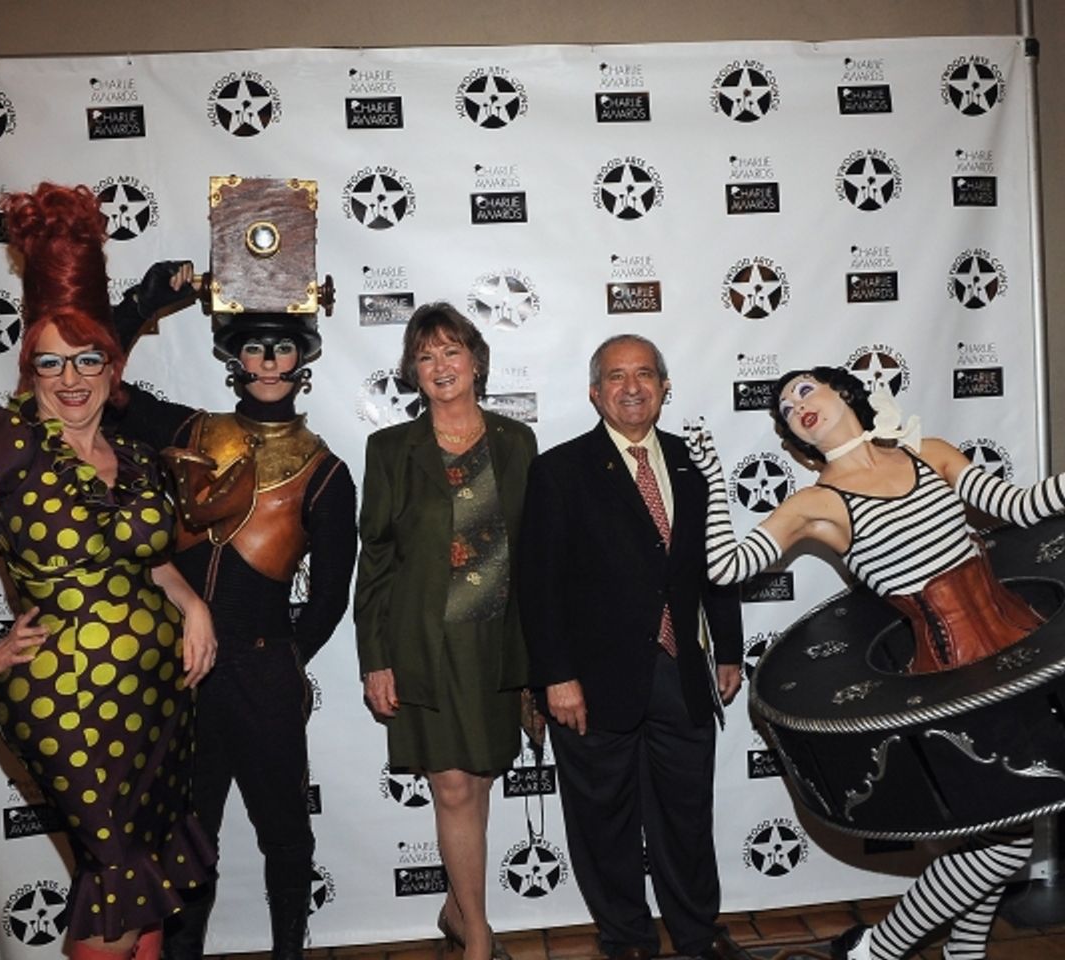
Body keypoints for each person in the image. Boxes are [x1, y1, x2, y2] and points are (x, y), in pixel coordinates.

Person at [0, 183, 217, 960]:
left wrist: (192, 607)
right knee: (114, 885)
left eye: (88, 359)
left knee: (143, 882)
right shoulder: (2, 440)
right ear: (29, 366)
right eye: (51, 361)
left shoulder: (134, 454)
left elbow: (145, 560)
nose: (70, 379)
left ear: (113, 366)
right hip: (69, 703)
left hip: (154, 701)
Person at [687, 364, 1056, 960]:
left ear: (844, 393)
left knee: (994, 826)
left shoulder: (929, 451)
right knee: (1003, 843)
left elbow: (1016, 506)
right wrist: (707, 481)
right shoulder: (815, 502)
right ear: (794, 439)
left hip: (1021, 656)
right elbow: (725, 568)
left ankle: (961, 954)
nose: (796, 404)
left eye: (806, 389)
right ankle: (875, 952)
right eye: (784, 407)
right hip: (947, 685)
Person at [108, 261, 357, 960]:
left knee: (285, 832)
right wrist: (154, 297)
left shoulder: (328, 472)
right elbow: (102, 385)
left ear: (303, 357)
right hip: (184, 675)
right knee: (187, 836)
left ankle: (287, 953)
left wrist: (277, 655)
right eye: (254, 346)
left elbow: (332, 596)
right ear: (233, 359)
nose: (270, 361)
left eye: (283, 347)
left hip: (263, 675)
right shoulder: (189, 429)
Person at [518, 334, 747, 960]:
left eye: (645, 373)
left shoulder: (693, 463)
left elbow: (714, 563)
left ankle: (698, 936)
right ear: (595, 393)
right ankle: (626, 940)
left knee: (686, 818)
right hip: (590, 685)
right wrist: (555, 678)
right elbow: (537, 588)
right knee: (603, 825)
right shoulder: (559, 471)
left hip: (682, 673)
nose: (632, 386)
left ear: (665, 387)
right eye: (616, 376)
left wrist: (728, 649)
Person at [354, 302, 537, 960]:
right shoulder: (390, 450)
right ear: (412, 371)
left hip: (495, 646)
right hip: (423, 647)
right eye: (425, 356)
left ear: (477, 360)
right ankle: (480, 937)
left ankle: (457, 912)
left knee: (481, 780)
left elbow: (535, 555)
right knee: (453, 786)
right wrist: (375, 659)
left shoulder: (516, 443)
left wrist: (542, 660)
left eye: (451, 351)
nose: (439, 365)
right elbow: (375, 560)